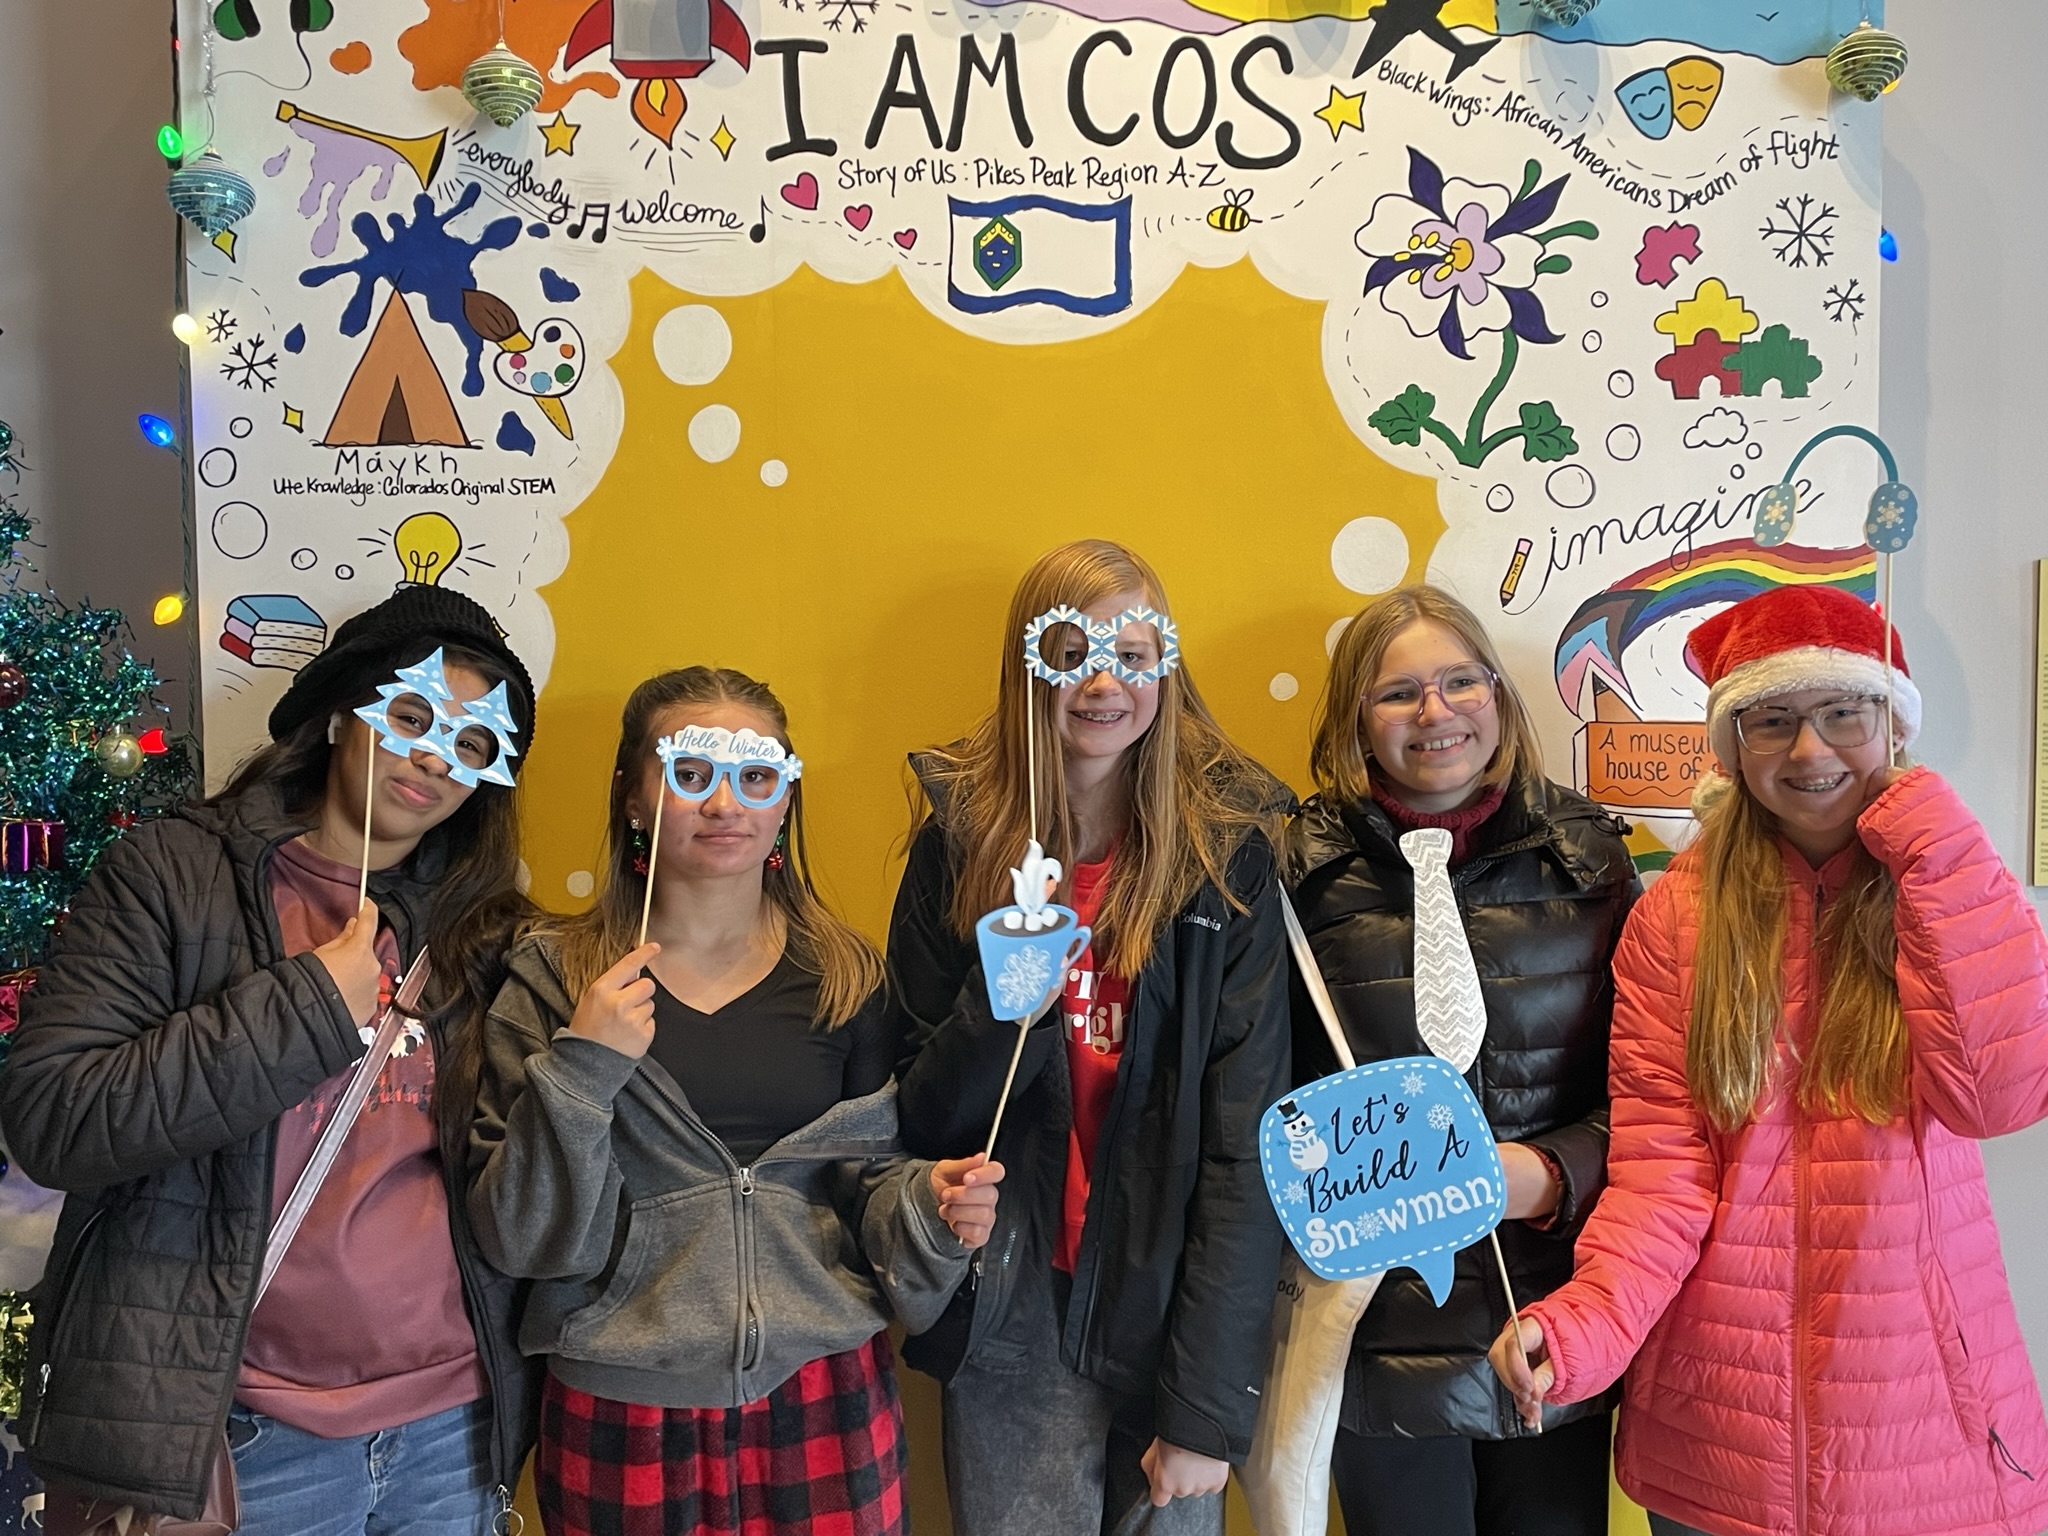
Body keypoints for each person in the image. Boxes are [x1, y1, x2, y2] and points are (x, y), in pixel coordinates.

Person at [1488, 584, 2048, 1536]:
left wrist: (1934, 851)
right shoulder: (1677, 916)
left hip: (1923, 1431)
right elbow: (1663, 1174)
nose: (1810, 751)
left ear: (1893, 724)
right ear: (1733, 745)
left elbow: (2000, 1095)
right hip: (1717, 1440)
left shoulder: (1951, 881)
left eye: (1844, 714)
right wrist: (1584, 1324)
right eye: (1774, 721)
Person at [0, 587, 541, 1536]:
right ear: (338, 713)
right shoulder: (173, 874)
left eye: (471, 741)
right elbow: (55, 1119)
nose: (433, 758)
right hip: (244, 1436)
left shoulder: (485, 929)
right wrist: (307, 1008)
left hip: (449, 1437)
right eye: (413, 718)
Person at [470, 666, 997, 1536]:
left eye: (755, 775)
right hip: (622, 1408)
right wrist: (583, 1067)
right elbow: (519, 1238)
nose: (725, 804)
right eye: (691, 773)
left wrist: (929, 1206)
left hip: (825, 1395)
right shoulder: (555, 979)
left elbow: (870, 1185)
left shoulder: (847, 978)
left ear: (784, 800)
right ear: (634, 796)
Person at [887, 539, 1292, 1536]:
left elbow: (1247, 1145)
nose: (1103, 682)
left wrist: (1205, 1406)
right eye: (1070, 653)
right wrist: (1006, 997)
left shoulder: (1226, 858)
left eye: (1131, 654)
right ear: (1028, 666)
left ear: (1166, 667)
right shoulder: (959, 844)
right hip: (1010, 1308)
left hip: (1171, 1315)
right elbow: (919, 1111)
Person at [1286, 584, 1638, 1536]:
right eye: (1398, 693)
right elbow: (1263, 1099)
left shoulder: (1590, 859)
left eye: (1459, 682)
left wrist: (1555, 1171)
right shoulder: (1295, 876)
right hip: (1376, 1335)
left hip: (1555, 1314)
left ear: (1499, 694)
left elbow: (1655, 1100)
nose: (1435, 712)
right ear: (1355, 719)